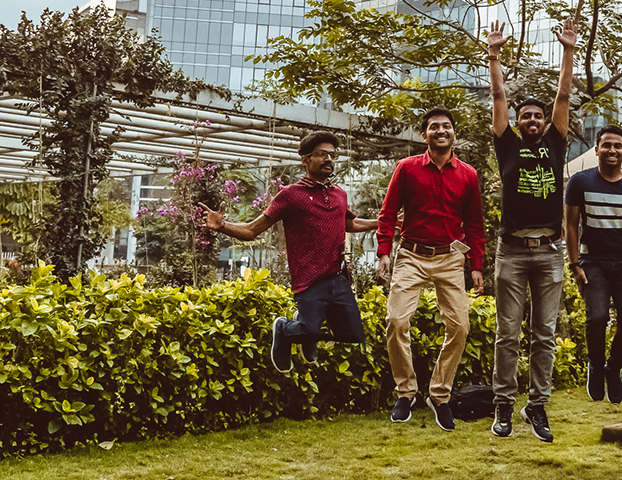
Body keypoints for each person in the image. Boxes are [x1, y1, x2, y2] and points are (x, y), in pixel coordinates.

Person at [199, 131, 379, 371]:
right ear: (306, 160)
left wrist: (382, 223)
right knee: (310, 328)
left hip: (339, 276)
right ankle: (285, 329)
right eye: (322, 154)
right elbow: (253, 230)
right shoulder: (291, 195)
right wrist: (223, 226)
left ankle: (307, 333)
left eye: (332, 155)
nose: (329, 160)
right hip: (310, 279)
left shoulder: (339, 194)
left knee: (354, 334)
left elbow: (349, 224)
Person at [485, 17, 576, 443]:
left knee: (544, 335)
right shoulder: (507, 142)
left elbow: (563, 94)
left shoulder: (557, 142)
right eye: (527, 115)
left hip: (550, 250)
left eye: (539, 115)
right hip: (513, 251)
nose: (534, 119)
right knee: (508, 333)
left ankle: (536, 407)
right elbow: (498, 94)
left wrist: (568, 50)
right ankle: (503, 405)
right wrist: (495, 53)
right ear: (518, 121)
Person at [375, 107, 487, 432]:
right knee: (396, 321)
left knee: (460, 327)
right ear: (424, 135)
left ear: (454, 133)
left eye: (446, 126)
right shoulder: (407, 168)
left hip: (451, 258)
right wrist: (384, 252)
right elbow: (388, 212)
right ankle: (406, 392)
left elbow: (475, 225)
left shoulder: (468, 175)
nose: (441, 130)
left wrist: (475, 265)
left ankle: (439, 395)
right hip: (411, 254)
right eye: (434, 127)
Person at [565, 125, 622, 405]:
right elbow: (570, 224)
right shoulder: (580, 182)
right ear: (597, 150)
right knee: (597, 318)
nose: (612, 150)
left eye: (617, 145)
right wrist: (575, 264)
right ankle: (595, 365)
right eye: (606, 145)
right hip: (593, 262)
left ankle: (613, 368)